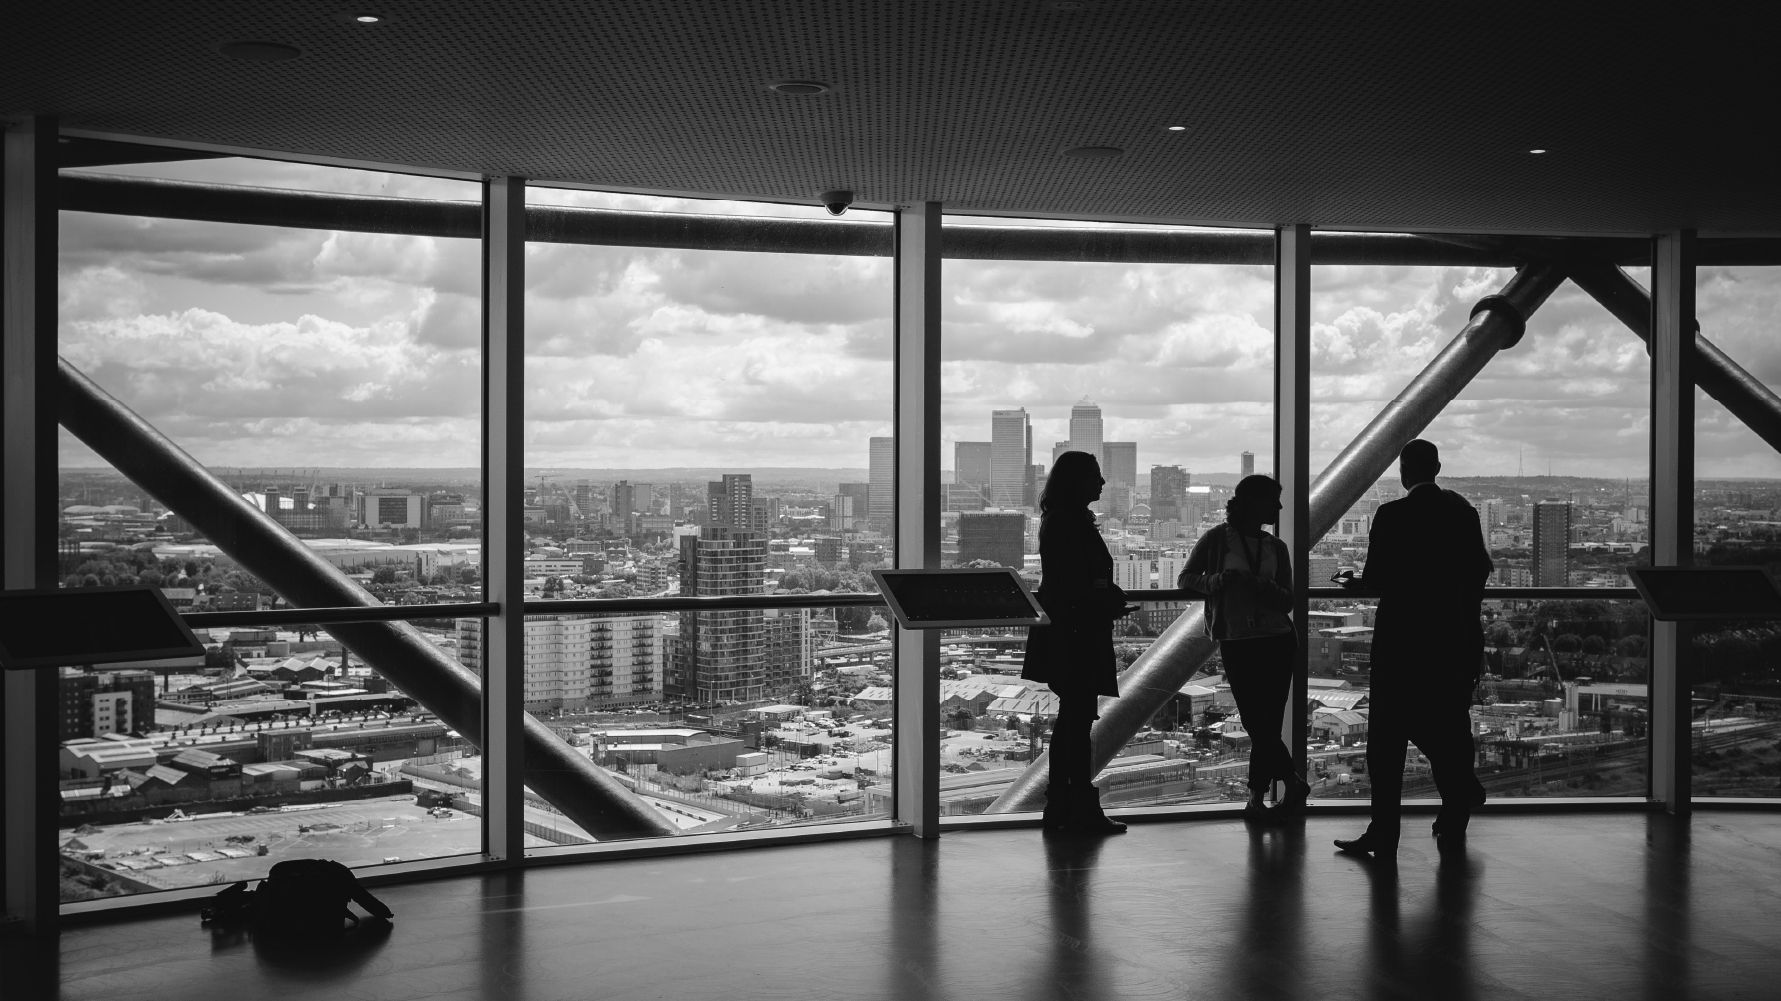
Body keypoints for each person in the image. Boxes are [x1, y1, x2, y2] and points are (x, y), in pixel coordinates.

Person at [1334, 439, 1492, 857]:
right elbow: (1479, 572)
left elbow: (1380, 579)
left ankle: (1385, 832)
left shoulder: (1392, 515)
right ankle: (1456, 810)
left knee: (1387, 741)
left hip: (1403, 641)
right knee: (1450, 723)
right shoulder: (1464, 514)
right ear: (1437, 467)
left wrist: (1356, 585)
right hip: (1454, 640)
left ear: (1404, 472)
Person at [1179, 474, 1307, 819]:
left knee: (1264, 721)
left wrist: (1256, 585)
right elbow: (1187, 579)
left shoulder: (1275, 547)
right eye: (1273, 501)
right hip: (1242, 639)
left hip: (1274, 639)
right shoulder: (1217, 540)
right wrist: (1219, 581)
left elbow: (1286, 599)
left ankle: (1256, 798)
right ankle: (1290, 783)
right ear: (1254, 503)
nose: (1279, 507)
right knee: (1257, 721)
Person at [1021, 450, 1134, 835]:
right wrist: (1105, 601)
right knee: (1076, 723)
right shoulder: (1070, 523)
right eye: (1096, 477)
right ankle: (1076, 807)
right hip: (1077, 634)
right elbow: (1074, 584)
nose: (1102, 483)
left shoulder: (1060, 521)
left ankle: (1063, 807)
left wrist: (1103, 595)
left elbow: (1067, 580)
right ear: (1078, 482)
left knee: (1073, 721)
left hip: (1067, 632)